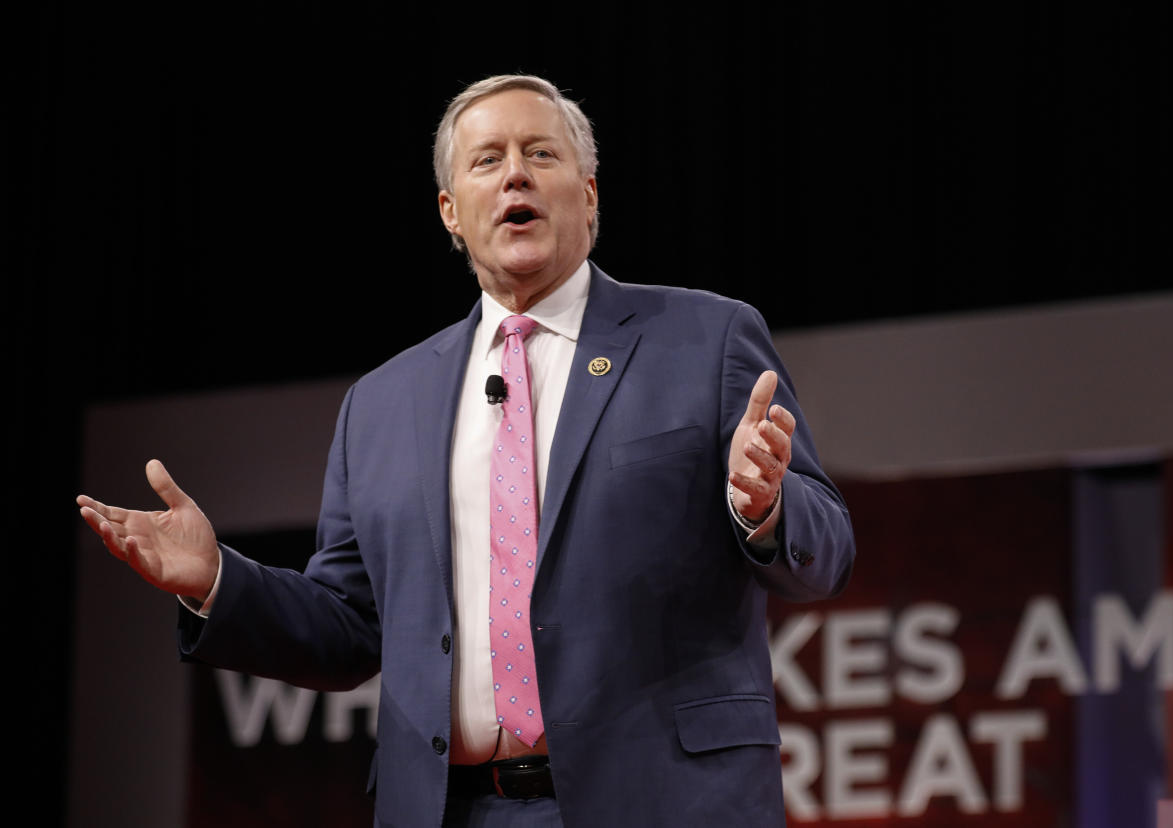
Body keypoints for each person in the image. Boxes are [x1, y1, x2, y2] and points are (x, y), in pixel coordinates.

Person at [77, 74, 856, 828]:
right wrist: (217, 581)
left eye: (542, 154)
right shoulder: (381, 403)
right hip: (451, 810)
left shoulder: (704, 338)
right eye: (487, 160)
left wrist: (764, 510)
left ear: (588, 195)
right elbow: (350, 627)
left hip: (662, 799)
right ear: (452, 212)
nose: (515, 172)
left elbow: (827, 548)